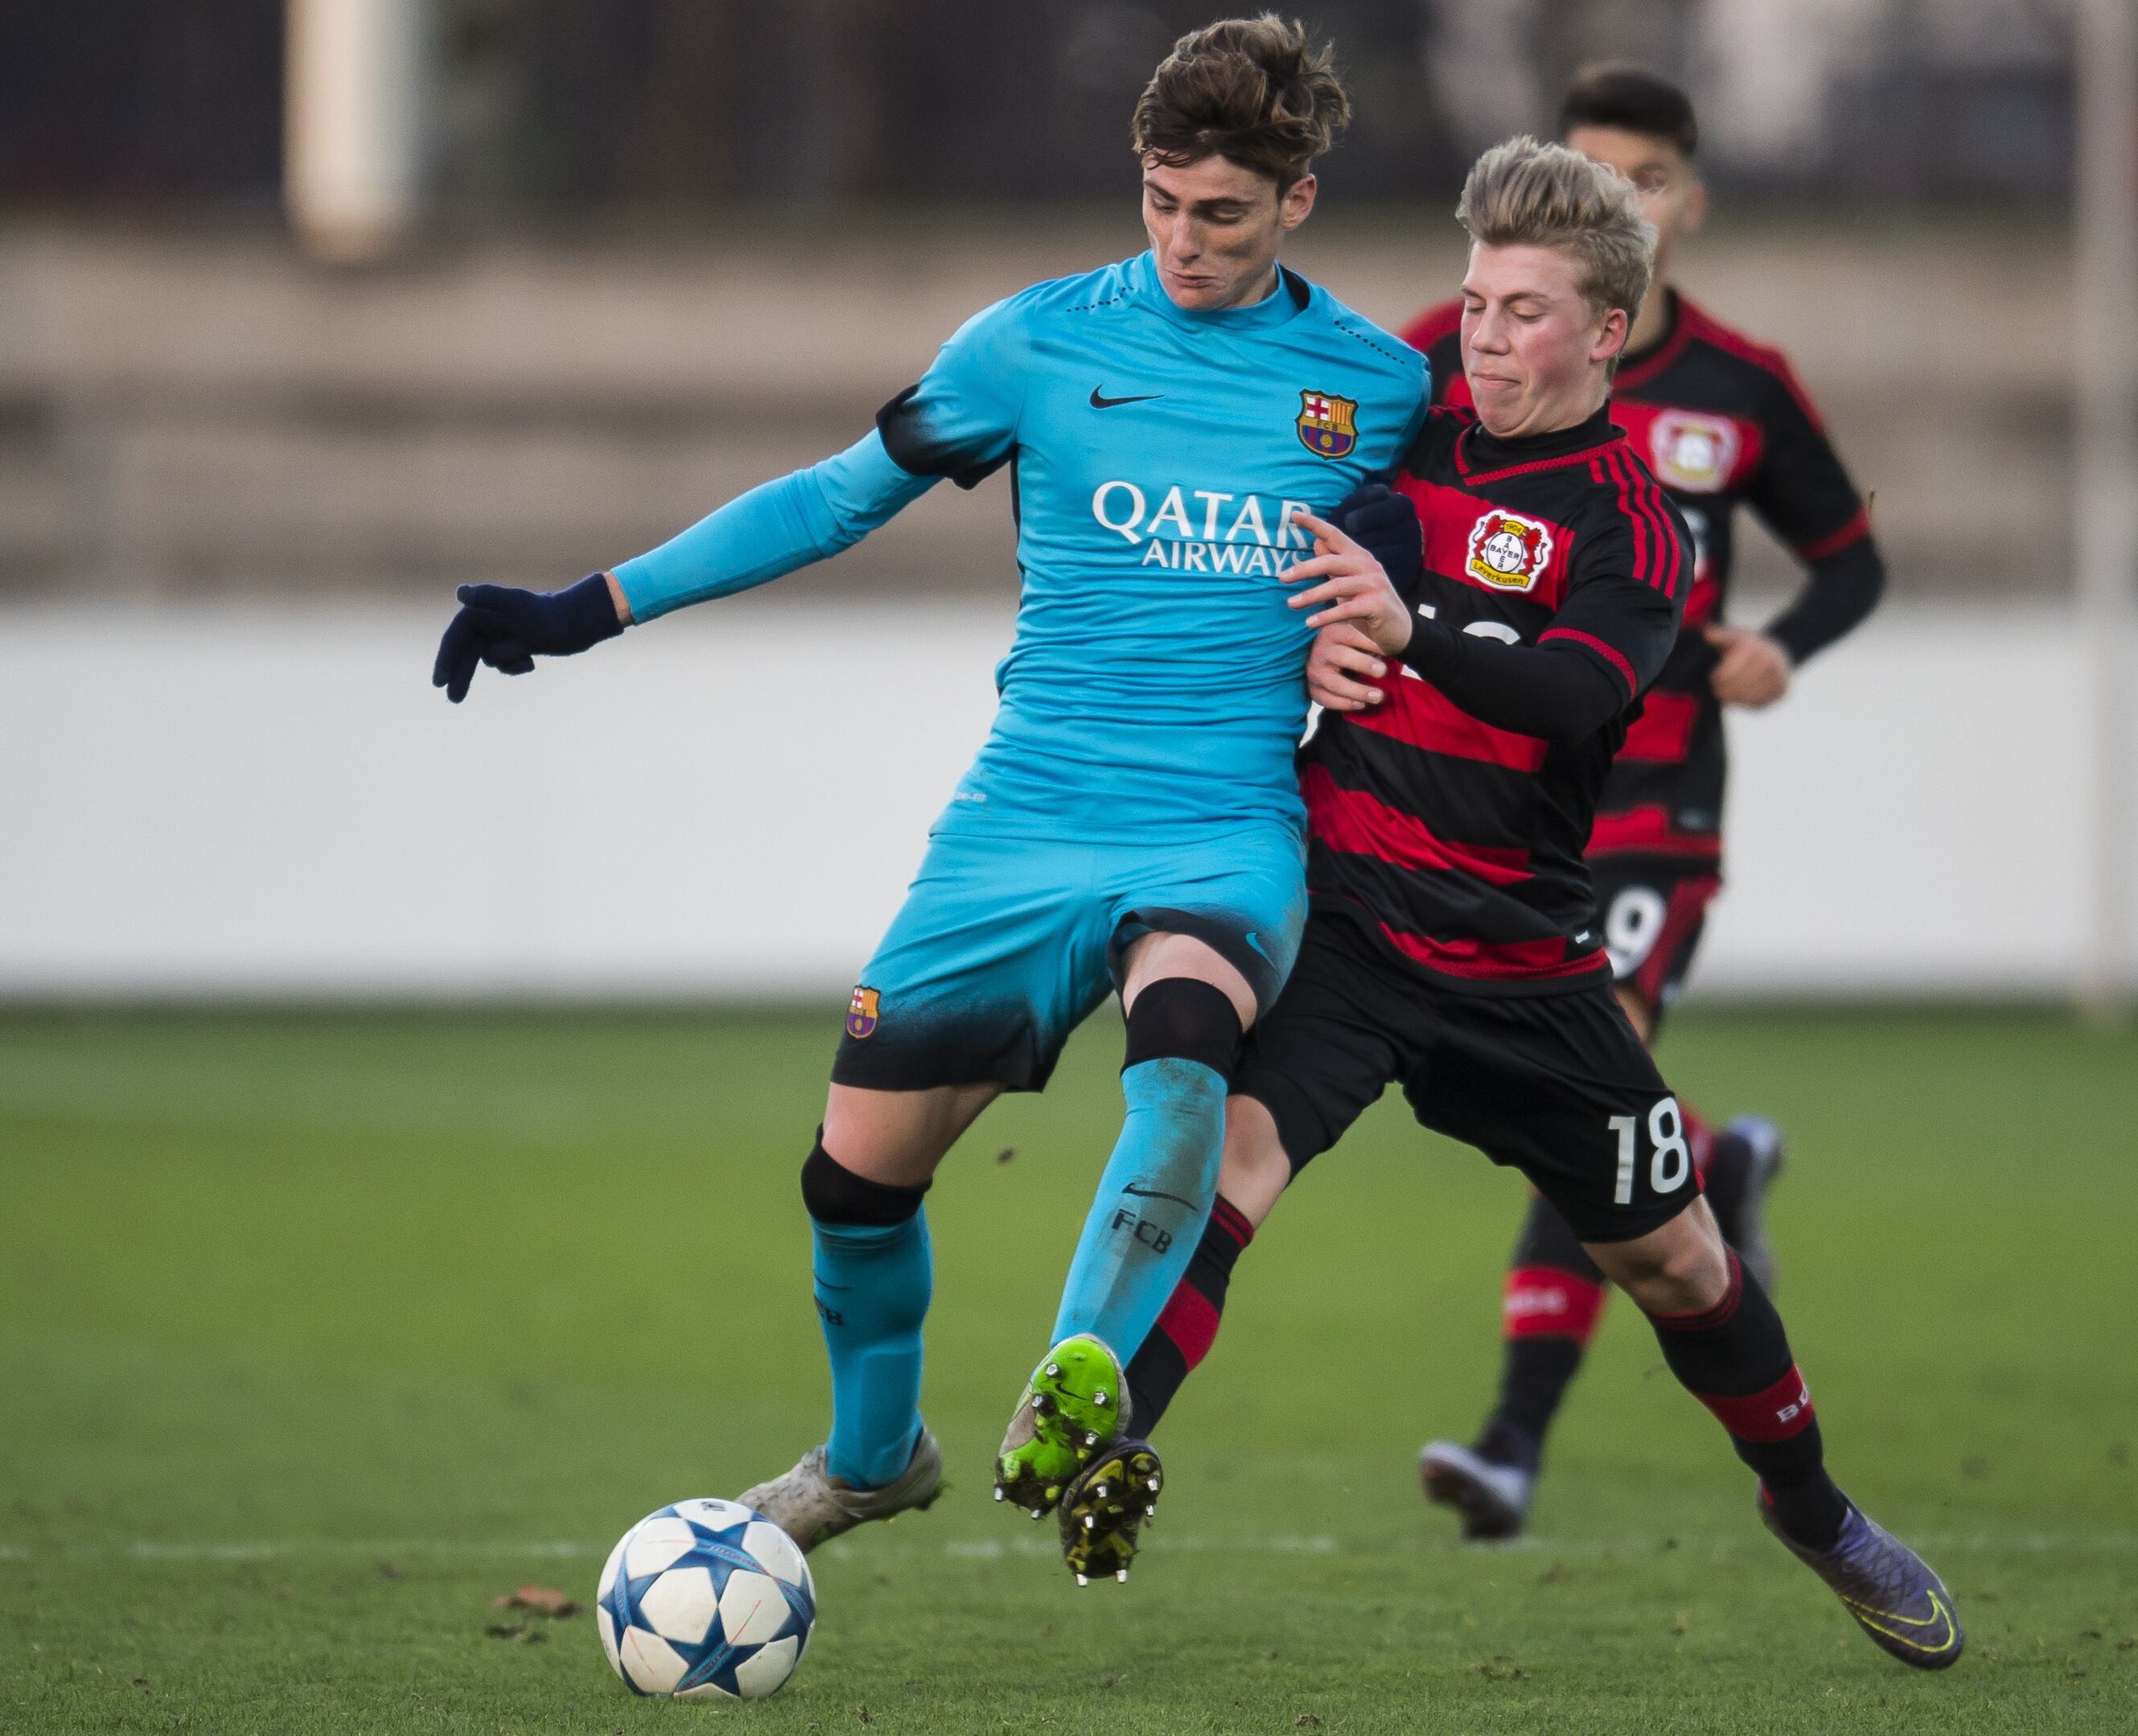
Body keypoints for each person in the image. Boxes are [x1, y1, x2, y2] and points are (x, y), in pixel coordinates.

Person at [428, 16, 1430, 1554]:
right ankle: (872, 1457)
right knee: (854, 1183)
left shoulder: (1377, 385)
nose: (1183, 240)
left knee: (1185, 1049)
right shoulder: (1033, 345)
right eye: (1161, 201)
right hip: (1024, 817)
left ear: (1297, 200)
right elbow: (836, 498)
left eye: (1223, 213)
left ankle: (1081, 1380)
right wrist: (591, 606)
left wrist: (1397, 625)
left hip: (1223, 822)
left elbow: (1458, 569)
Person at [1011, 137, 1961, 1674]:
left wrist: (1409, 631)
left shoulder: (1633, 522)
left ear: (1606, 332)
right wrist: (1312, 640)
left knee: (1681, 1264)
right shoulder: (1410, 432)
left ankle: (1815, 1509)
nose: (1487, 337)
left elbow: (1574, 694)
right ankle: (1111, 1443)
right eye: (1474, 303)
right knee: (1228, 1163)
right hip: (1348, 916)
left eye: (1526, 312)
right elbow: (1287, 541)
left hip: (1522, 959)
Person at [1395, 66, 1890, 1541]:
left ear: (1689, 202)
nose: (1623, 201)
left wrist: (1779, 646)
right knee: (1601, 1105)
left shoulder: (1741, 386)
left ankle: (1510, 1442)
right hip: (1485, 804)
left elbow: (1852, 557)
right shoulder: (1452, 352)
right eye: (1593, 173)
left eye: (1647, 180)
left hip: (1655, 797)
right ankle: (1714, 1159)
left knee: (1585, 1076)